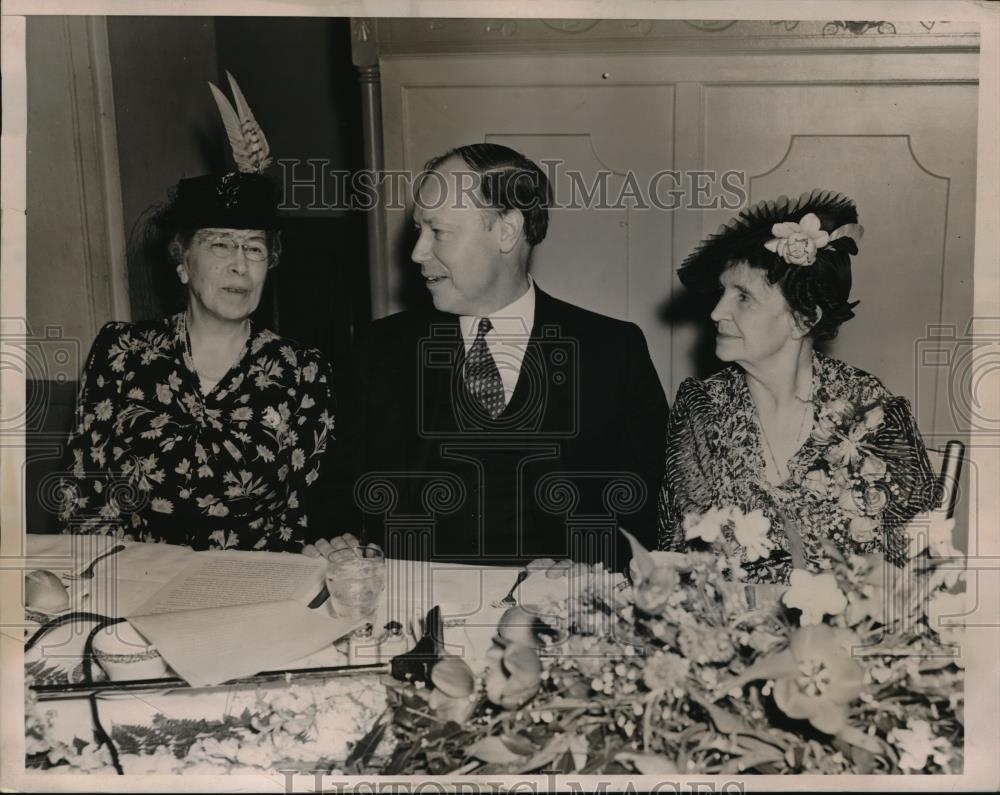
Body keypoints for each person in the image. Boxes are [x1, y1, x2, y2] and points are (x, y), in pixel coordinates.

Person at [313, 143, 667, 569]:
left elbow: (648, 501)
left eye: (438, 232)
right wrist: (338, 540)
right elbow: (339, 489)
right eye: (418, 231)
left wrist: (593, 563)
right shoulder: (378, 350)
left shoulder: (614, 351)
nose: (417, 252)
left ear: (507, 231)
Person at [57, 74, 335, 551]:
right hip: (135, 585)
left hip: (253, 593)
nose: (239, 265)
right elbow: (83, 500)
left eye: (254, 248)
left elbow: (300, 519)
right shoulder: (123, 353)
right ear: (183, 262)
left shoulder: (303, 372)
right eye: (220, 244)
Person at [658, 190, 936, 583]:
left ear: (803, 319)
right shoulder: (702, 407)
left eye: (744, 297)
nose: (717, 312)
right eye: (722, 293)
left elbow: (910, 561)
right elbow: (680, 559)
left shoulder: (866, 406)